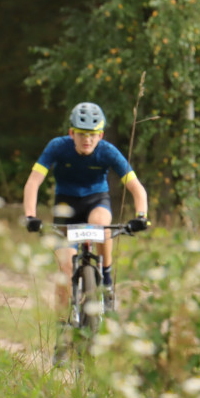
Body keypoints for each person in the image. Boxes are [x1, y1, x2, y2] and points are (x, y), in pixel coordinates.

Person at [23, 101, 149, 313]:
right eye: (82, 134)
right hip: (65, 206)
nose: (87, 139)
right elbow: (33, 181)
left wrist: (141, 216)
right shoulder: (57, 147)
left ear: (101, 135)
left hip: (96, 200)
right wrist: (30, 216)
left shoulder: (108, 152)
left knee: (100, 225)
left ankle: (106, 280)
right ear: (72, 133)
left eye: (93, 134)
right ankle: (63, 330)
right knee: (65, 269)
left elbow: (136, 187)